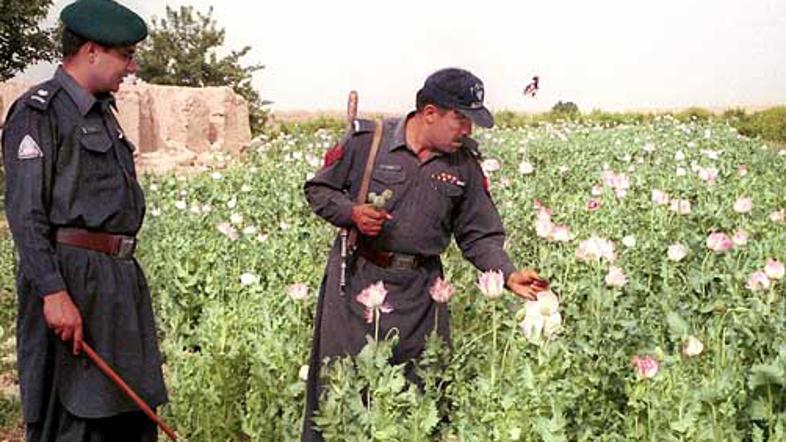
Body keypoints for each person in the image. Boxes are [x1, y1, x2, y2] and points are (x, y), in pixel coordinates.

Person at [302, 67, 549, 441]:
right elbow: (319, 191)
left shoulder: (463, 165)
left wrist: (507, 274)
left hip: (422, 294)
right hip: (357, 282)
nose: (468, 130)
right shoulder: (368, 143)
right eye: (461, 119)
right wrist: (352, 213)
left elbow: (479, 234)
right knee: (342, 392)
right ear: (429, 112)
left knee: (421, 394)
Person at [2, 0, 167, 440]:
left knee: (128, 412)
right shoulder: (40, 112)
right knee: (76, 418)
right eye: (125, 55)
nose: (131, 67)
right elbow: (26, 212)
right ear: (91, 50)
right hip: (74, 282)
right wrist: (54, 292)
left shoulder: (103, 114)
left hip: (117, 285)